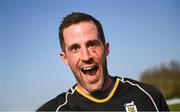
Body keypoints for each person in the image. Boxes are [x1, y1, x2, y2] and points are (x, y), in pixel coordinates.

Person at [37, 12, 169, 111]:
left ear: (106, 49)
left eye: (92, 44)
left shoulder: (148, 97)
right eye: (75, 48)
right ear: (65, 58)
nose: (86, 56)